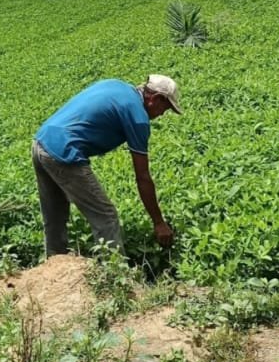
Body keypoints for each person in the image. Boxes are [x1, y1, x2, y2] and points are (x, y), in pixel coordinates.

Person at [32, 75, 180, 257]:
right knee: (106, 216)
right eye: (165, 108)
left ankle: (54, 263)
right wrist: (158, 222)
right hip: (64, 151)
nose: (162, 114)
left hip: (41, 141)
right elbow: (142, 177)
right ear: (155, 99)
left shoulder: (117, 85)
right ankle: (114, 269)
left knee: (54, 214)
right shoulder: (138, 117)